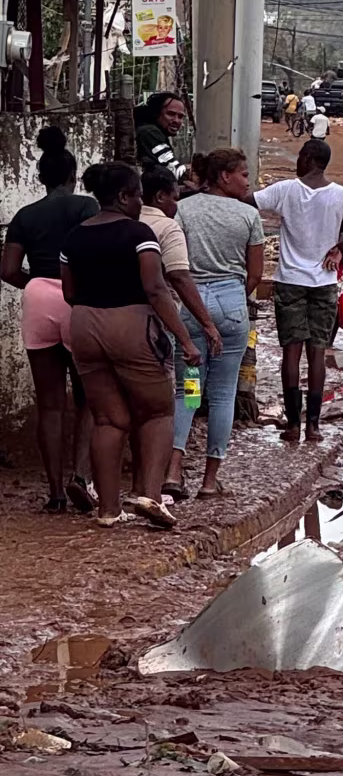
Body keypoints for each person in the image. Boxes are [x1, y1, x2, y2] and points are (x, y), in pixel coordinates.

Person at [60, 162, 199, 529]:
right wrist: (185, 338)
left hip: (84, 326)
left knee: (108, 418)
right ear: (123, 196)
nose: (140, 201)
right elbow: (155, 288)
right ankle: (149, 497)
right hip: (132, 325)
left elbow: (69, 292)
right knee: (158, 411)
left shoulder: (74, 237)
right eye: (137, 195)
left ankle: (108, 510)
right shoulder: (138, 233)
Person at [1, 125, 97, 512]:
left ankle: (55, 493)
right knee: (89, 398)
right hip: (79, 300)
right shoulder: (86, 208)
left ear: (40, 178)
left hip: (38, 296)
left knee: (50, 403)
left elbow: (7, 271)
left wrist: (37, 283)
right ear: (74, 178)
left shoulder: (25, 215)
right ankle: (81, 477)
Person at [256, 140, 343, 442]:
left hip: (290, 281)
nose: (297, 160)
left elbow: (248, 201)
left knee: (291, 354)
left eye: (299, 156)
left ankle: (292, 425)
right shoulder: (342, 195)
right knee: (318, 353)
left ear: (308, 158)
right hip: (323, 284)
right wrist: (339, 248)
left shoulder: (285, 190)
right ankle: (314, 426)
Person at [167, 147, 264, 499]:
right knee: (223, 395)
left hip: (191, 305)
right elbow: (255, 273)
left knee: (189, 391)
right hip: (231, 304)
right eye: (243, 174)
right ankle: (210, 481)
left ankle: (174, 472)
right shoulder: (248, 215)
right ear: (224, 176)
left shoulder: (183, 210)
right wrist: (234, 298)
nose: (247, 181)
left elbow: (173, 261)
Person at [140, 170, 221, 364]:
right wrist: (207, 324)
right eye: (175, 198)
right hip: (155, 323)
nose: (177, 206)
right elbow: (178, 277)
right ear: (160, 197)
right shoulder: (167, 227)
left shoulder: (122, 222)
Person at [134, 92, 187, 182]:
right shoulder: (150, 132)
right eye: (170, 114)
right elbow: (175, 170)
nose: (176, 120)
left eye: (180, 116)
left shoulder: (153, 131)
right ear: (157, 113)